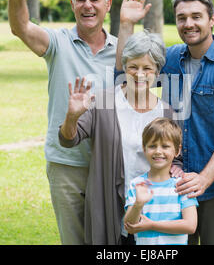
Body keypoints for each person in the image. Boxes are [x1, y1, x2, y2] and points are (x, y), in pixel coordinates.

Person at [117, 0, 214, 244]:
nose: (189, 23)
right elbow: (127, 71)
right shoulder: (172, 58)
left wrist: (204, 179)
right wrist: (126, 25)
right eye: (181, 18)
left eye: (196, 16)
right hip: (169, 187)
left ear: (212, 20)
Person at [1, 0, 117, 244]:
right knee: (75, 240)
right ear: (72, 5)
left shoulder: (122, 49)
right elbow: (21, 27)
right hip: (67, 163)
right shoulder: (57, 43)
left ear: (108, 5)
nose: (87, 5)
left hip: (112, 162)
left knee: (112, 242)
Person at [59, 31, 184, 245]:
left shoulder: (167, 112)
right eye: (133, 66)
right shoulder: (104, 101)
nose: (140, 74)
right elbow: (68, 139)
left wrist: (177, 167)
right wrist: (72, 116)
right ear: (124, 67)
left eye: (147, 68)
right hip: (109, 203)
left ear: (157, 72)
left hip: (153, 210)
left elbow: (175, 158)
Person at [124, 117, 198, 245]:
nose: (158, 151)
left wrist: (152, 225)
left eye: (165, 146)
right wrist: (138, 204)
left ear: (177, 150)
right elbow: (130, 226)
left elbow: (190, 225)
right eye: (152, 146)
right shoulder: (137, 184)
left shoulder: (182, 185)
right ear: (144, 148)